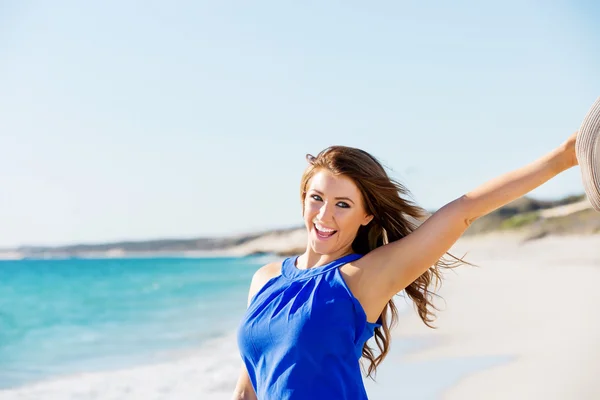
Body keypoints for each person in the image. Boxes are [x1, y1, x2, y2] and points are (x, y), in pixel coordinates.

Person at [233, 131, 579, 400]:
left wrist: (562, 158)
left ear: (367, 215)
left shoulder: (363, 277)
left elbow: (463, 211)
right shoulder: (265, 278)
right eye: (317, 198)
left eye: (342, 204)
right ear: (304, 199)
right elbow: (247, 389)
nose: (325, 215)